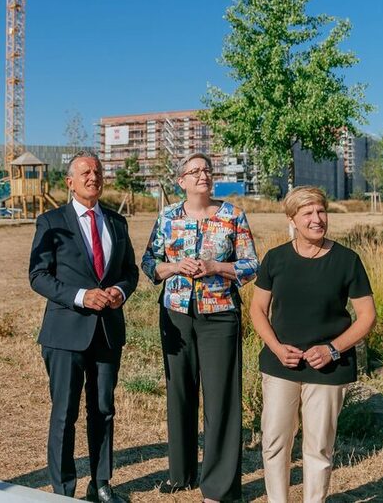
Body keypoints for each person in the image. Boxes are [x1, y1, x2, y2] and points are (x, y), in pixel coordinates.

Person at [141, 153, 258, 503]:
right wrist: (175, 266)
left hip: (219, 315)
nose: (203, 175)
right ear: (182, 181)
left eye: (206, 169)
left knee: (221, 398)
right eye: (194, 171)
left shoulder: (232, 215)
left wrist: (215, 266)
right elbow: (149, 263)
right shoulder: (167, 217)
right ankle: (180, 474)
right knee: (179, 393)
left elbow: (252, 265)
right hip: (176, 313)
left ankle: (219, 487)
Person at [249, 186, 377, 503]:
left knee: (318, 446)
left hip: (330, 368)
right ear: (292, 219)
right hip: (281, 365)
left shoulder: (347, 261)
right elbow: (257, 310)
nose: (317, 219)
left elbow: (366, 316)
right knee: (275, 441)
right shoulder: (275, 259)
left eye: (321, 211)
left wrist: (332, 349)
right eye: (307, 213)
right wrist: (277, 348)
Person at [28, 151, 139, 503]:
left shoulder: (117, 223)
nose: (93, 176)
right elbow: (38, 276)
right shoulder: (51, 222)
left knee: (103, 410)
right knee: (65, 413)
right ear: (70, 182)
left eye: (98, 171)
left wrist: (121, 291)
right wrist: (80, 296)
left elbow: (130, 271)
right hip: (65, 333)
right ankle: (62, 490)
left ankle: (101, 484)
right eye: (85, 172)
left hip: (107, 331)